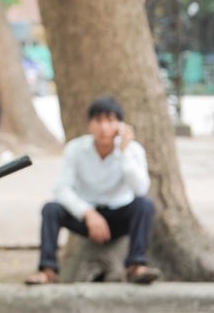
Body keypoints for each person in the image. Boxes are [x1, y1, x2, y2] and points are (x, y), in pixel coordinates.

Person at [25, 96, 162, 285]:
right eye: (99, 121)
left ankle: (136, 266)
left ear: (120, 125)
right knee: (50, 209)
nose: (104, 127)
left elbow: (141, 188)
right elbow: (61, 188)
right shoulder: (76, 149)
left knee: (144, 206)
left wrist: (123, 153)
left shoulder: (133, 150)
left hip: (119, 214)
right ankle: (47, 270)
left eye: (110, 120)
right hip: (86, 216)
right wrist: (87, 213)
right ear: (90, 125)